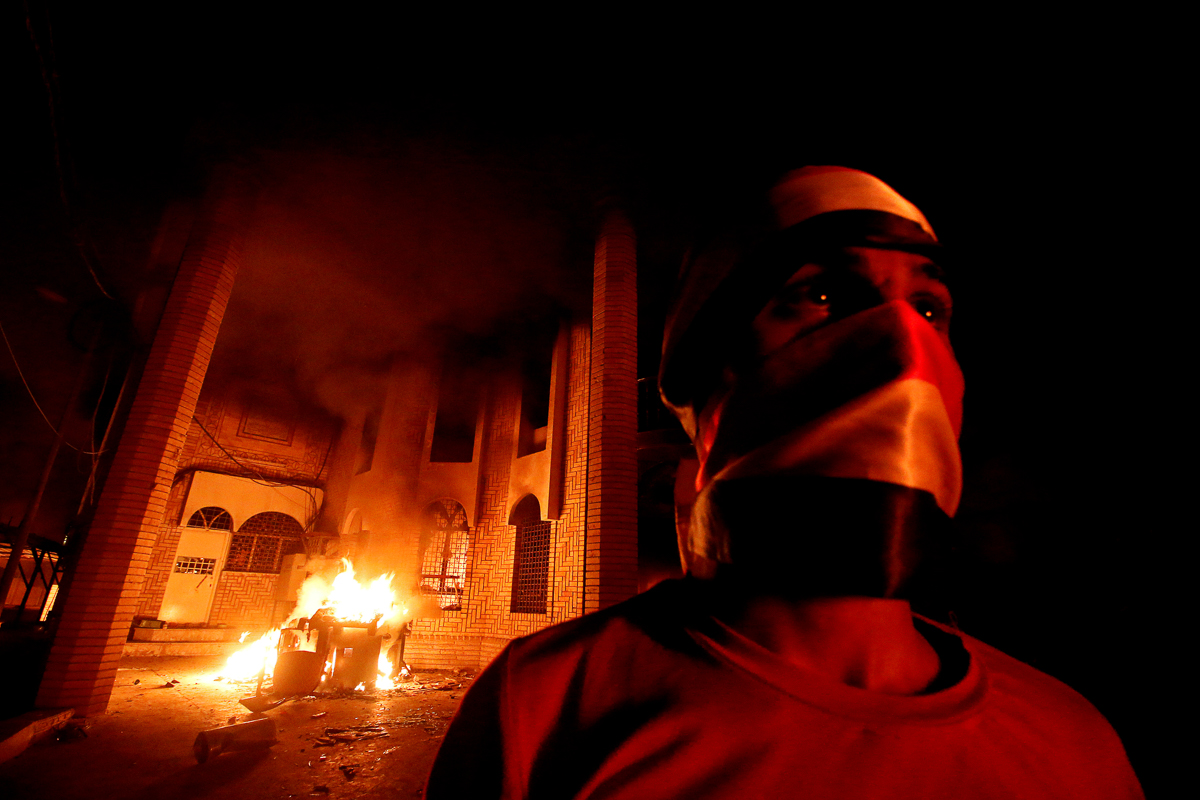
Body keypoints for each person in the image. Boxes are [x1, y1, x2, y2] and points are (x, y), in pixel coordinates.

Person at [425, 166, 1144, 799]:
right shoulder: (546, 711)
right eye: (822, 293)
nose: (901, 340)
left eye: (929, 309)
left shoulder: (1076, 741)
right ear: (706, 375)